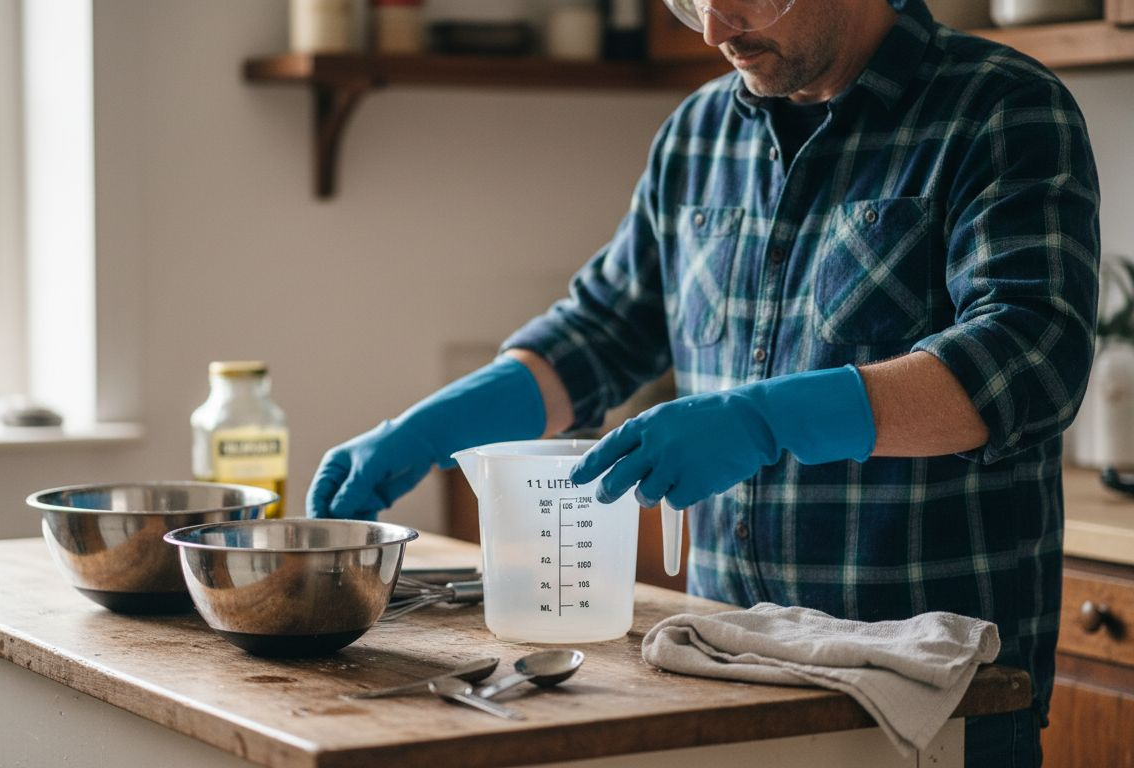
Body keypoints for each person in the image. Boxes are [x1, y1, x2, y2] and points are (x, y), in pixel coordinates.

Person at [308, 0, 1100, 763]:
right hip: (732, 665)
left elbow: (1027, 358)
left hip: (935, 687)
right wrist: (436, 425)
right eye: (691, 1)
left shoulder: (1002, 109)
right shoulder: (698, 134)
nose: (717, 29)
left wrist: (768, 419)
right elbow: (605, 327)